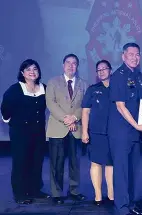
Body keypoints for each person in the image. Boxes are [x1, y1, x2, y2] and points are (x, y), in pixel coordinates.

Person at [108, 43, 142, 215]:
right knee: (121, 171)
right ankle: (121, 210)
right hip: (121, 132)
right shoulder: (119, 76)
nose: (135, 57)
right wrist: (137, 125)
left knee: (132, 171)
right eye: (131, 54)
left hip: (135, 131)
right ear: (123, 56)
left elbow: (139, 101)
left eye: (138, 54)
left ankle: (130, 204)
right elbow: (120, 106)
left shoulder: (138, 75)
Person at [1, 59, 50, 204]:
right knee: (21, 162)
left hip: (38, 132)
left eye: (35, 69)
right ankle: (20, 193)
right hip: (20, 133)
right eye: (28, 69)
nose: (32, 72)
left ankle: (35, 190)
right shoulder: (15, 89)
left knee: (36, 161)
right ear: (22, 73)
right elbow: (5, 109)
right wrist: (11, 121)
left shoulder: (44, 88)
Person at [46, 53, 88, 204]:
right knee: (56, 163)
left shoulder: (84, 84)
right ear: (63, 65)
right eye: (68, 63)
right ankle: (56, 193)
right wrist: (66, 119)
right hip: (58, 128)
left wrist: (74, 118)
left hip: (76, 128)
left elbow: (85, 106)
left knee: (75, 163)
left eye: (74, 63)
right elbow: (51, 103)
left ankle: (74, 191)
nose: (71, 65)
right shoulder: (53, 82)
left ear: (77, 66)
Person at [81, 60, 114, 206]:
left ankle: (112, 196)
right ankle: (98, 196)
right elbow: (85, 111)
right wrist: (84, 132)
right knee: (95, 163)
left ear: (110, 70)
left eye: (104, 69)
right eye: (98, 70)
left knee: (110, 165)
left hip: (114, 133)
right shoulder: (92, 89)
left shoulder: (118, 88)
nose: (101, 71)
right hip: (96, 133)